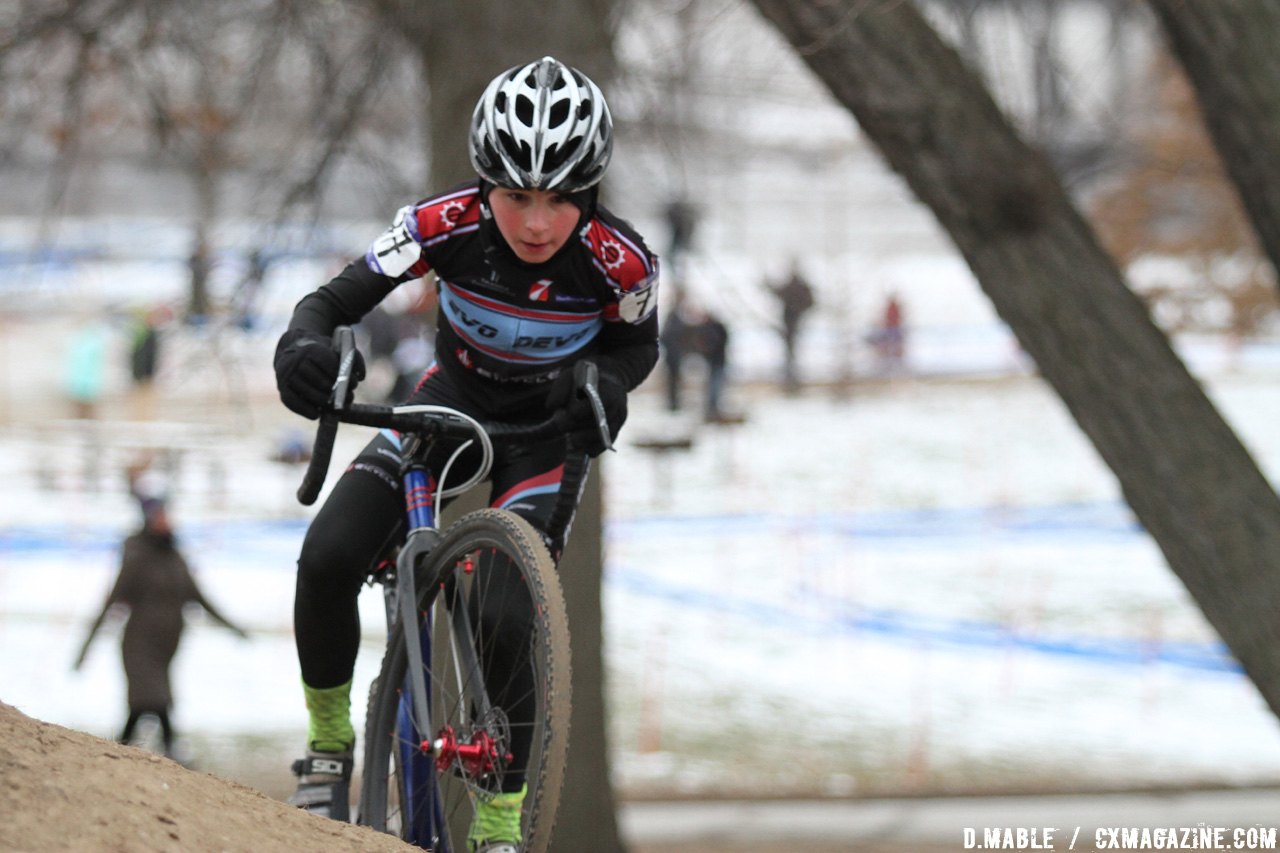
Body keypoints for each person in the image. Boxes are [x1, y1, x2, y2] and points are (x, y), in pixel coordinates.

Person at [271, 57, 659, 847]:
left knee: (503, 609)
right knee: (328, 555)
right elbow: (332, 300)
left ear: (589, 194)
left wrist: (606, 387)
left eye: (560, 201)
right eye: (517, 196)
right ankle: (329, 744)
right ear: (487, 184)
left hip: (545, 436)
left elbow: (637, 349)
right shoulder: (439, 223)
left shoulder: (623, 263)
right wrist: (301, 346)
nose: (537, 222)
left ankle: (498, 817)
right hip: (447, 403)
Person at [72, 488, 249, 760]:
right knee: (153, 700)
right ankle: (168, 752)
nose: (166, 520)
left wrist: (233, 627)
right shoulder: (136, 557)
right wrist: (85, 649)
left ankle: (123, 751)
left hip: (166, 648)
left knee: (149, 702)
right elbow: (111, 604)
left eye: (167, 515)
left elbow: (199, 599)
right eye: (160, 515)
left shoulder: (175, 557)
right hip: (139, 645)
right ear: (148, 519)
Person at [769, 262, 815, 393]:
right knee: (790, 352)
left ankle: (792, 379)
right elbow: (778, 293)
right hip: (790, 323)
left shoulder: (799, 287)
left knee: (793, 352)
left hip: (795, 322)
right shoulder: (796, 287)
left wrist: (798, 309)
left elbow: (809, 302)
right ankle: (790, 378)